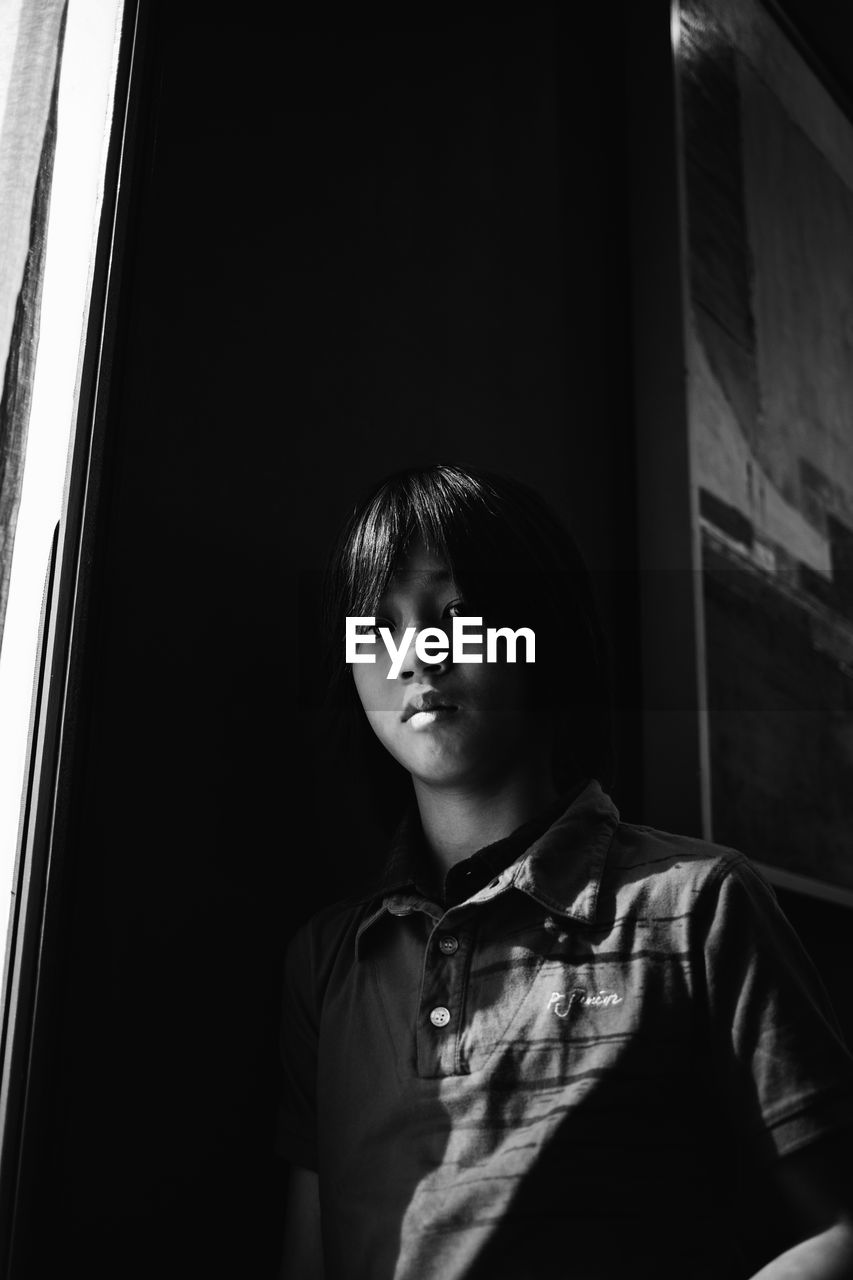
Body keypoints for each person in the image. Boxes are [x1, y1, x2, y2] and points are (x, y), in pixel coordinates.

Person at [278, 463, 853, 1279]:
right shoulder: (328, 961)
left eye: (456, 614)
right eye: (375, 627)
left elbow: (839, 1228)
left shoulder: (698, 906)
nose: (415, 654)